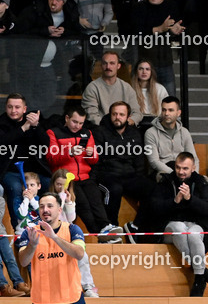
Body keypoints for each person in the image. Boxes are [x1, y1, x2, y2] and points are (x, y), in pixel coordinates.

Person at [45, 105, 121, 238]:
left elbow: (93, 160)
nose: (77, 126)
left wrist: (92, 154)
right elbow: (51, 158)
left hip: (85, 176)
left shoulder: (87, 133)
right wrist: (69, 152)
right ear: (67, 118)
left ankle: (105, 226)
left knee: (96, 199)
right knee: (83, 205)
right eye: (74, 122)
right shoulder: (54, 132)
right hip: (67, 179)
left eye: (81, 123)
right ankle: (98, 234)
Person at [149, 152, 208, 296]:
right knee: (179, 228)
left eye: (185, 168)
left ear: (193, 168)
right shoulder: (166, 180)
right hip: (170, 226)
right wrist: (175, 202)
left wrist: (190, 199)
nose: (181, 172)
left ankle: (199, 280)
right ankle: (201, 270)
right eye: (178, 168)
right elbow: (154, 208)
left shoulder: (201, 182)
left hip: (195, 224)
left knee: (192, 234)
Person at [94, 102, 155, 237]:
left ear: (127, 117)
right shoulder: (100, 131)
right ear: (110, 115)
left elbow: (139, 160)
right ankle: (111, 229)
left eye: (121, 114)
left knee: (152, 188)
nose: (117, 117)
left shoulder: (134, 133)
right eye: (114, 114)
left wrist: (140, 177)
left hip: (129, 175)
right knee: (114, 189)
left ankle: (136, 226)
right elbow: (96, 159)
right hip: (107, 174)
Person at [144, 96, 197, 180]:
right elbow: (154, 162)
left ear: (178, 113)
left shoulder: (184, 132)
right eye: (164, 110)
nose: (166, 113)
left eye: (170, 110)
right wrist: (175, 173)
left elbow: (193, 158)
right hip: (162, 172)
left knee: (201, 181)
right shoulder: (150, 133)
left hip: (183, 171)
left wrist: (194, 173)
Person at [81, 51, 140, 125]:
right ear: (101, 65)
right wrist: (111, 127)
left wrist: (125, 124)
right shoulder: (92, 88)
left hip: (123, 130)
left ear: (118, 66)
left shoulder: (127, 88)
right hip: (101, 130)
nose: (108, 67)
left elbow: (137, 113)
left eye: (112, 63)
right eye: (105, 63)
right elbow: (92, 116)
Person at [129, 60, 167, 125]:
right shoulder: (130, 89)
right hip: (136, 123)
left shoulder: (160, 89)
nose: (144, 72)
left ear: (151, 72)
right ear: (136, 71)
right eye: (141, 69)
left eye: (147, 69)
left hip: (156, 123)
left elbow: (166, 109)